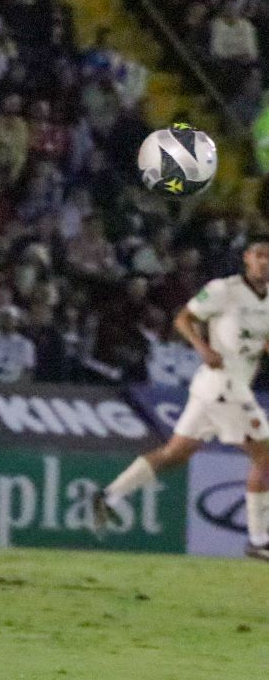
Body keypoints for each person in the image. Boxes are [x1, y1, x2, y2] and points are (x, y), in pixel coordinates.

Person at [94, 236, 269, 561]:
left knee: (177, 452)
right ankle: (258, 539)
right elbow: (183, 318)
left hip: (221, 386)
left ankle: (110, 496)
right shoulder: (224, 290)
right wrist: (203, 347)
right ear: (247, 258)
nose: (264, 262)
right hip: (222, 383)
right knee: (264, 455)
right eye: (259, 255)